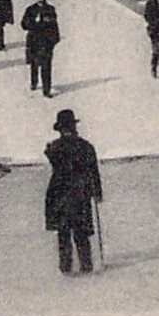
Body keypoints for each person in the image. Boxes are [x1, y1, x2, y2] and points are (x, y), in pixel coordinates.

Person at [44, 109, 103, 275]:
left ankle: (66, 268)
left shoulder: (55, 147)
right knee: (80, 232)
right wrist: (97, 193)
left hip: (59, 194)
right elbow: (94, 172)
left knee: (64, 233)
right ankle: (86, 266)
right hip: (79, 193)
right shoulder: (85, 146)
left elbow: (54, 159)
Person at [22, 0, 61, 97]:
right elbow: (24, 25)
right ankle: (34, 82)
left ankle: (46, 90)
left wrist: (54, 40)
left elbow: (54, 25)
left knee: (46, 66)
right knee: (34, 64)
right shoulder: (30, 10)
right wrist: (33, 21)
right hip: (34, 41)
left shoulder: (50, 9)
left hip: (46, 42)